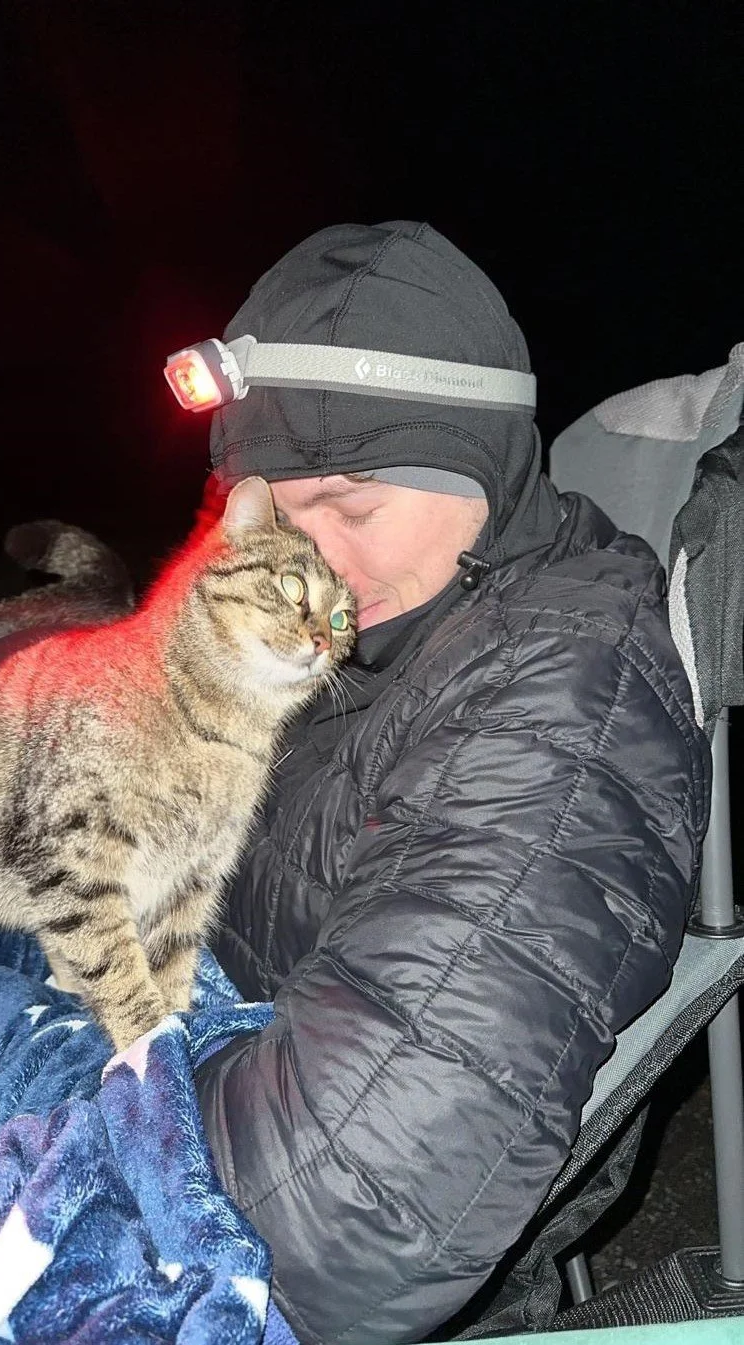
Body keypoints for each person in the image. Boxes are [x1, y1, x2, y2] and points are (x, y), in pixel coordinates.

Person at [187, 221, 710, 1345]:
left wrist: (71, 1129)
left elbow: (341, 1213)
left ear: (481, 467)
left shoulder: (555, 691)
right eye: (277, 514)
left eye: (355, 508)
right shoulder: (376, 641)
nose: (312, 567)